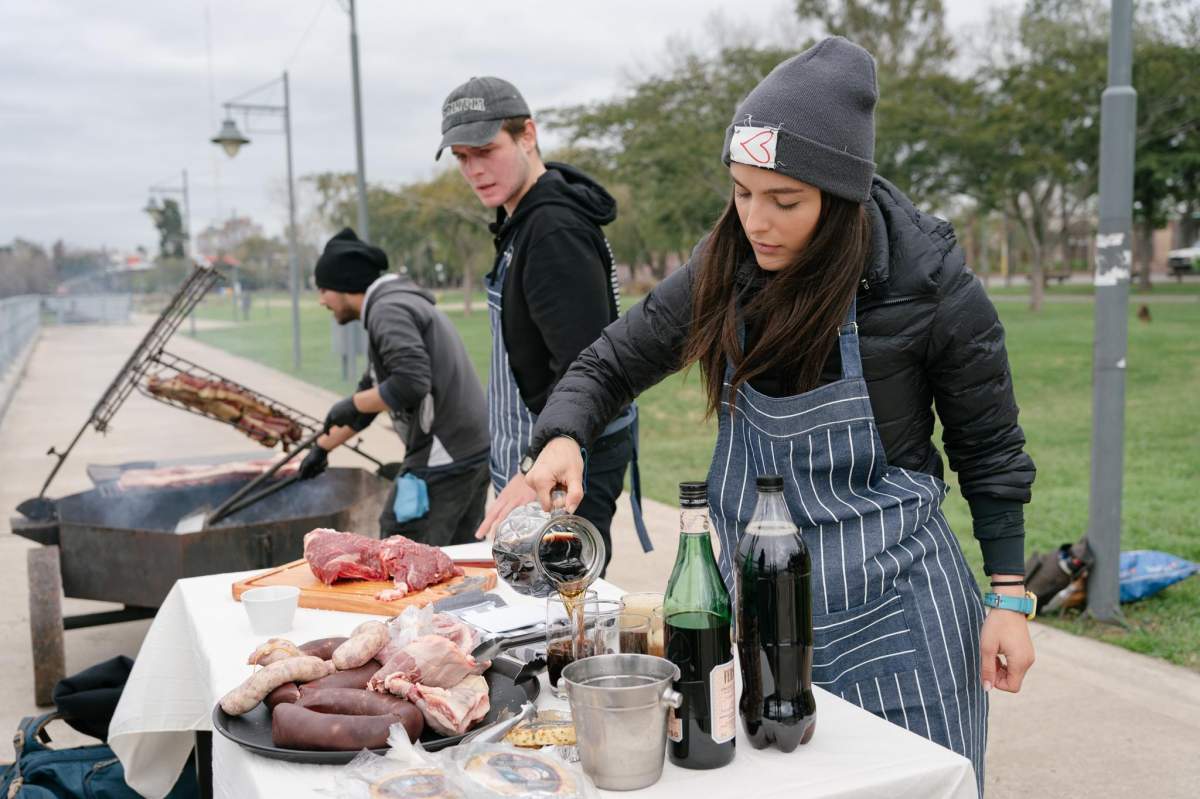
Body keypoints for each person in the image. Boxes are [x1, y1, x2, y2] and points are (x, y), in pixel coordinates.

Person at [521, 38, 1035, 792]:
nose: (755, 220)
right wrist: (564, 431)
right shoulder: (723, 267)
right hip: (764, 624)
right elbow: (612, 361)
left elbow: (989, 449)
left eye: (784, 200)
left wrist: (1010, 596)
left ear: (840, 198)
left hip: (901, 620)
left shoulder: (927, 285)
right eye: (741, 191)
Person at [435, 75, 651, 565]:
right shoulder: (521, 220)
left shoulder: (553, 228)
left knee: (562, 608)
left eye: (486, 150)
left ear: (527, 135)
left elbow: (584, 366)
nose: (474, 170)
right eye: (462, 158)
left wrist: (533, 465)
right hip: (541, 454)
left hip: (569, 460)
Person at [299, 228, 491, 546]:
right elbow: (375, 392)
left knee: (400, 549)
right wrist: (322, 448)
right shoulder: (396, 304)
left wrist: (353, 404)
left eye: (323, 289)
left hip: (443, 456)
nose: (322, 300)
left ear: (345, 285)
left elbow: (410, 383)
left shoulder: (387, 311)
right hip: (469, 451)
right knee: (460, 561)